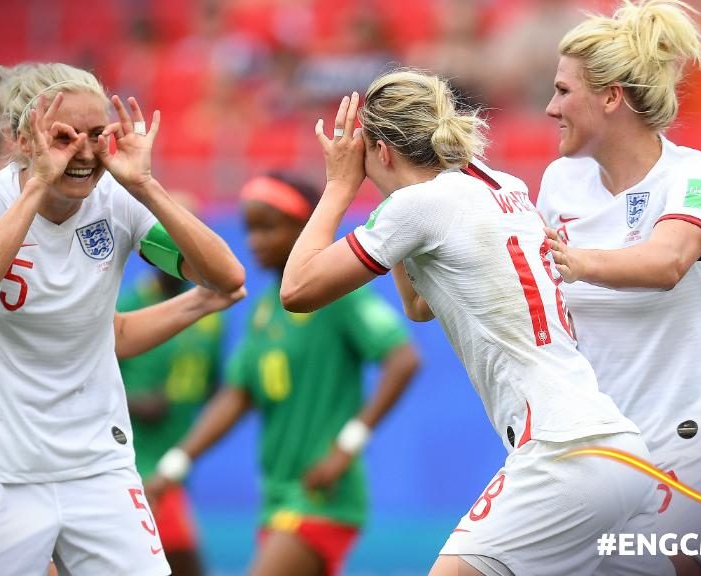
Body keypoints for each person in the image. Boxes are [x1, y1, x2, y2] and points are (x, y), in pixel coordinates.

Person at [279, 71, 673, 576]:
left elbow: (297, 290)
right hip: (622, 452)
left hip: (562, 451)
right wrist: (390, 197)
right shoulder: (501, 184)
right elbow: (420, 306)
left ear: (379, 151)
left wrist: (338, 186)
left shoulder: (420, 206)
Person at [0, 55, 244, 546]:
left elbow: (227, 277)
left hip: (96, 465)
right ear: (21, 140)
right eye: (64, 137)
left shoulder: (116, 200)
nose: (85, 152)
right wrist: (39, 187)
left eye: (97, 134)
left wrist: (144, 185)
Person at [537, 2, 701, 575]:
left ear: (611, 97)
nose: (549, 107)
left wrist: (574, 261)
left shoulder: (695, 176)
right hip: (608, 458)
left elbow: (667, 262)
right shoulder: (561, 182)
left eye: (563, 91)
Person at [147, 172, 421, 576]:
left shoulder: (335, 296)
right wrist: (174, 466)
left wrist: (346, 447)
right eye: (250, 229)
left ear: (305, 226)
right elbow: (238, 395)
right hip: (278, 495)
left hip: (321, 497)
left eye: (268, 227)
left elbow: (403, 359)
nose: (254, 241)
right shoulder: (263, 310)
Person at [117, 259, 226, 576]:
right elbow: (82, 380)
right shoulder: (126, 306)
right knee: (181, 563)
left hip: (173, 462)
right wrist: (135, 402)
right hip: (132, 462)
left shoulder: (209, 315)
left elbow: (214, 386)